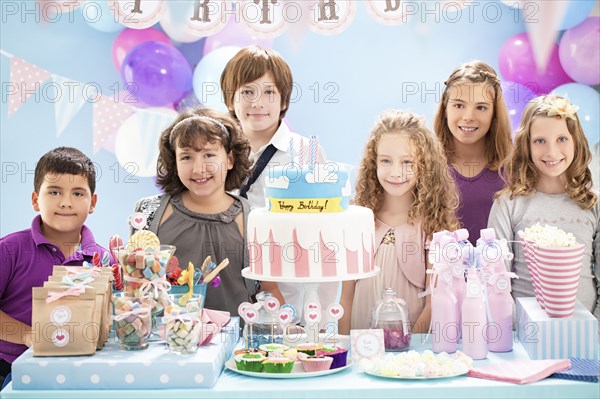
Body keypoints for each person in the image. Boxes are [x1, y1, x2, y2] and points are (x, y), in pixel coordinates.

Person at [220, 45, 335, 325]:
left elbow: (326, 232)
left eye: (269, 92)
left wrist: (319, 311)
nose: (258, 102)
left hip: (292, 297)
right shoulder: (216, 152)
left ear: (284, 100)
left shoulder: (307, 153)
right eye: (247, 92)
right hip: (228, 291)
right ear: (231, 99)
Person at [339, 110, 460, 334]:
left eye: (407, 162)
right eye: (386, 160)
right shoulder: (359, 220)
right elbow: (346, 298)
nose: (396, 172)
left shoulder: (433, 226)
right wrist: (344, 350)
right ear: (373, 163)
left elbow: (434, 304)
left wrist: (408, 350)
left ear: (424, 166)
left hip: (408, 355)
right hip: (361, 348)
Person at [0, 147, 110, 388]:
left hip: (79, 370)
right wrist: (26, 335)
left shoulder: (102, 259)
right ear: (35, 200)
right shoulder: (9, 249)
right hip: (10, 367)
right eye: (54, 191)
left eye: (78, 193)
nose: (66, 202)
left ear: (92, 203)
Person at [133, 108, 256, 317]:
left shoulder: (252, 218)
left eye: (209, 154)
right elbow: (134, 285)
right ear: (174, 163)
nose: (198, 169)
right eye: (186, 157)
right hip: (164, 343)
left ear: (229, 159)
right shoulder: (149, 214)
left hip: (235, 345)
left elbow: (268, 292)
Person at [488, 95, 599, 320]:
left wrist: (594, 332)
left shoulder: (593, 205)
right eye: (540, 141)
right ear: (526, 145)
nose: (551, 152)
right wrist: (515, 331)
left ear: (576, 141)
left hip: (586, 337)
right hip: (525, 338)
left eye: (562, 139)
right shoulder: (508, 205)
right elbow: (496, 281)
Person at [434, 61, 512, 244]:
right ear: (445, 108)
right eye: (459, 105)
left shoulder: (513, 166)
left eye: (481, 107)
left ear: (494, 114)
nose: (469, 116)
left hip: (501, 271)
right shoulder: (426, 163)